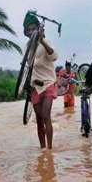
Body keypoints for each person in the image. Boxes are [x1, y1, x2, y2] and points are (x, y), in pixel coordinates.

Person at [23, 12, 58, 149]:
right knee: (38, 120)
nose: (31, 31)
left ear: (38, 28)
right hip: (35, 86)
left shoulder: (46, 42)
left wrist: (42, 40)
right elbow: (27, 67)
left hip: (48, 83)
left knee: (45, 115)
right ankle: (43, 149)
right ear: (25, 32)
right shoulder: (26, 47)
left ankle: (49, 149)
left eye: (33, 28)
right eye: (28, 29)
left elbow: (54, 56)